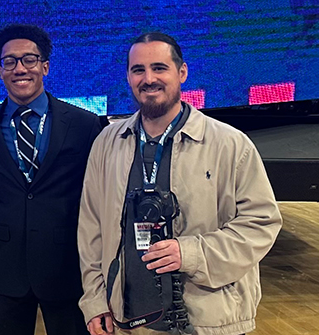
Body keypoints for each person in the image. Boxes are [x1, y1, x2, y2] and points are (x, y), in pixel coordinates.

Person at [77, 32, 282, 335]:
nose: (149, 79)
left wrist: (191, 254)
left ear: (182, 72)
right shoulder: (107, 143)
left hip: (209, 321)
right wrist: (95, 300)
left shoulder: (230, 144)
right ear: (129, 77)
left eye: (159, 68)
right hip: (128, 321)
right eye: (138, 70)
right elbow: (91, 230)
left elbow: (261, 223)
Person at [0, 24, 103, 335]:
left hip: (67, 267)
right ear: (0, 70)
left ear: (45, 66)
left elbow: (94, 197)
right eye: (10, 61)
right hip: (5, 270)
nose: (20, 69)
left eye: (29, 59)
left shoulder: (84, 124)